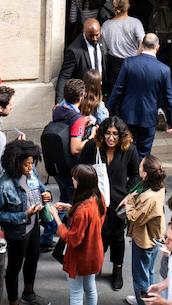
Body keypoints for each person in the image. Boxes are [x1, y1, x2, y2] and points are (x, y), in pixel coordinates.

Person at [79, 116, 139, 291]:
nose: (111, 138)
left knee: (118, 237)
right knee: (98, 234)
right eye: (107, 133)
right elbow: (80, 169)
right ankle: (96, 264)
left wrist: (127, 194)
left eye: (115, 134)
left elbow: (135, 174)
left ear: (121, 135)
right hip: (96, 201)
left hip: (119, 203)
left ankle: (117, 269)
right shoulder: (92, 147)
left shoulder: (129, 150)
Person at [0, 140, 52, 305]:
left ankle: (29, 293)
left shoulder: (32, 174)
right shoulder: (4, 186)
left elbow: (41, 188)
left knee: (33, 259)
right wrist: (24, 214)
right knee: (14, 267)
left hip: (33, 226)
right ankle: (13, 301)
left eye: (32, 163)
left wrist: (47, 194)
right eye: (26, 165)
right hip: (17, 232)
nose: (30, 167)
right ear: (15, 164)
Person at [47, 164, 106, 305]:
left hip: (79, 258)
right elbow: (90, 218)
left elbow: (72, 239)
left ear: (81, 183)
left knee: (76, 293)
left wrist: (56, 217)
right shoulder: (99, 197)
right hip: (94, 253)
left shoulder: (81, 211)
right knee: (90, 288)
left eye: (75, 179)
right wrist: (70, 207)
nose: (72, 180)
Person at [108, 33, 172, 158]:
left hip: (128, 114)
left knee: (125, 150)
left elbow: (118, 88)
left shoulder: (129, 62)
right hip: (148, 116)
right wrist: (170, 120)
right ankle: (139, 171)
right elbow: (169, 97)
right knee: (143, 153)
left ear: (141, 45)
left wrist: (108, 108)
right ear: (157, 48)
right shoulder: (164, 69)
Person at [124, 154, 166, 305]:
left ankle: (142, 301)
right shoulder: (158, 186)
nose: (138, 166)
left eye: (141, 165)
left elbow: (135, 217)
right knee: (148, 271)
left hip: (144, 240)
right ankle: (149, 299)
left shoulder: (147, 197)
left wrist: (129, 201)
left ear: (145, 174)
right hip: (154, 237)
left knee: (140, 277)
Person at [51, 78, 95, 207]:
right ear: (81, 98)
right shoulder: (77, 118)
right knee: (73, 204)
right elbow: (75, 148)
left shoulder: (57, 109)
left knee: (63, 201)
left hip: (57, 164)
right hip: (69, 167)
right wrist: (91, 137)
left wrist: (81, 122)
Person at [100, 0, 145, 92]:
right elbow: (143, 43)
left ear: (113, 7)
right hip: (133, 61)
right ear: (128, 6)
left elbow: (104, 50)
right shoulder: (135, 23)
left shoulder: (106, 25)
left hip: (114, 64)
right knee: (132, 92)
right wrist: (136, 56)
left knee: (114, 94)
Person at [57, 19, 107, 103]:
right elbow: (64, 76)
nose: (94, 38)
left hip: (99, 92)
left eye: (96, 35)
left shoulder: (100, 40)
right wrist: (59, 102)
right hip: (84, 96)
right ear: (84, 32)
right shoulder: (74, 50)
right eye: (91, 36)